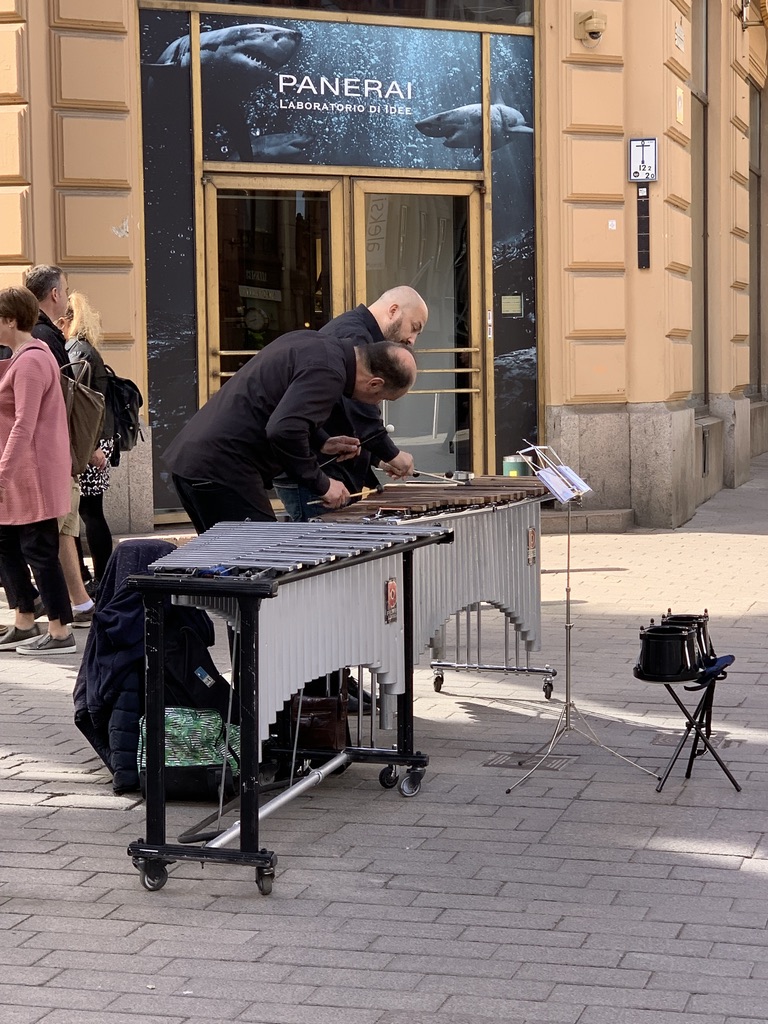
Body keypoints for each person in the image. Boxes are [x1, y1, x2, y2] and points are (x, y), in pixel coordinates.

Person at [165, 329, 417, 534]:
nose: (376, 403)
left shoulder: (315, 344)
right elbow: (283, 430)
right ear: (375, 383)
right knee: (258, 564)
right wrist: (322, 484)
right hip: (223, 468)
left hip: (197, 463)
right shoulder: (329, 371)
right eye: (382, 398)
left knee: (227, 566)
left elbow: (279, 407)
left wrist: (322, 442)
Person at [274, 285, 428, 522]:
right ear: (393, 310)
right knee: (325, 544)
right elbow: (359, 412)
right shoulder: (353, 337)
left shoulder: (359, 335)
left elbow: (341, 415)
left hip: (327, 468)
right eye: (414, 327)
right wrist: (392, 454)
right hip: (315, 472)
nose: (411, 340)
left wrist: (376, 459)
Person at [0, 286, 76, 655]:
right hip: (20, 472)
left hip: (31, 474)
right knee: (6, 545)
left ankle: (60, 632)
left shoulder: (31, 361)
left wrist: (3, 473)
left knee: (40, 551)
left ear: (10, 320)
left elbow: (24, 424)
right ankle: (24, 620)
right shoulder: (23, 357)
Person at [25, 265, 95, 627]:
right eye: (64, 290)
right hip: (52, 450)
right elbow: (57, 402)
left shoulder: (39, 334)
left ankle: (74, 606)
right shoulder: (44, 337)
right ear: (54, 294)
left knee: (63, 527)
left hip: (54, 449)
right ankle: (61, 614)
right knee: (54, 531)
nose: (66, 296)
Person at [61, 291, 115, 589]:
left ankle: (102, 578)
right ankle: (98, 576)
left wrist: (92, 446)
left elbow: (78, 402)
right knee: (88, 511)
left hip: (91, 440)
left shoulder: (77, 350)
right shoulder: (83, 347)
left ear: (68, 320)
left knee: (89, 511)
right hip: (94, 439)